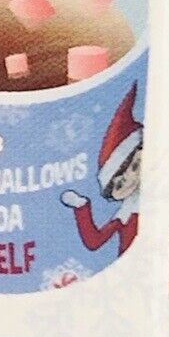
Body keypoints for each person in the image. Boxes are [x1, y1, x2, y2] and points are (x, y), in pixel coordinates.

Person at [60, 83, 142, 259]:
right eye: (120, 184)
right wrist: (82, 207)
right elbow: (94, 241)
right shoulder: (126, 214)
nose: (131, 179)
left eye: (136, 166)